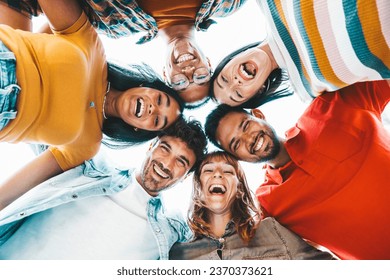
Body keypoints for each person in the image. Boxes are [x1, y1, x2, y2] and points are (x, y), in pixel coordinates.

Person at [0, 0, 185, 210]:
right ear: (146, 85)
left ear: (139, 130)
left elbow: (21, 184)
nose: (153, 109)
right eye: (160, 99)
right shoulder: (94, 48)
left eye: (158, 121)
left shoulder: (87, 146)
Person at [204, 80, 390, 259]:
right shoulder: (269, 204)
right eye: (236, 144)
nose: (249, 139)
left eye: (245, 125)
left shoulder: (330, 107)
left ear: (258, 115)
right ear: (237, 158)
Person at [0, 117, 208, 260]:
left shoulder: (173, 230)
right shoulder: (90, 166)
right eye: (164, 149)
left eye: (181, 161)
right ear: (150, 147)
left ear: (186, 177)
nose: (167, 164)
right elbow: (34, 124)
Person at [0, 0, 249, 108]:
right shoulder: (229, 3)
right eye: (202, 77)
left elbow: (42, 21)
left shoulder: (113, 24)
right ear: (210, 62)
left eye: (180, 82)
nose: (189, 72)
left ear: (165, 73)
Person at [209, 0, 390, 107]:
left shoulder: (267, 4)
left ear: (230, 60)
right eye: (238, 94)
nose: (236, 82)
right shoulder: (310, 90)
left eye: (224, 79)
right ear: (259, 91)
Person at [169, 151, 335, 260]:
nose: (218, 174)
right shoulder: (177, 254)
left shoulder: (273, 231)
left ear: (239, 188)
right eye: (208, 171)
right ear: (198, 187)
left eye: (227, 171)